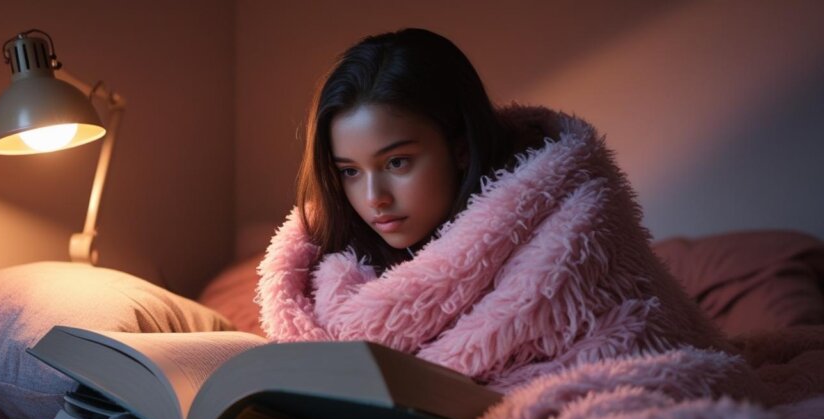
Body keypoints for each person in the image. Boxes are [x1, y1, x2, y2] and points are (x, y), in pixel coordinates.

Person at [256, 28, 720, 389]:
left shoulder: (570, 222)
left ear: (459, 148)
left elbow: (633, 343)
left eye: (396, 162)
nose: (373, 196)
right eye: (349, 171)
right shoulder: (328, 268)